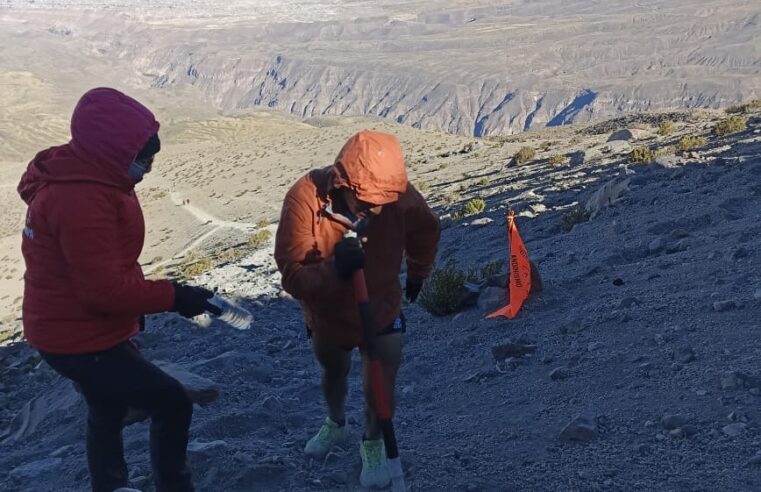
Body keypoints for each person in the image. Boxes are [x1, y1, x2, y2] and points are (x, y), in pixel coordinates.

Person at [18, 87, 220, 492]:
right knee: (171, 402)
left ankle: (109, 486)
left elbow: (102, 274)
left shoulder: (90, 175)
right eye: (141, 158)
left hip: (68, 327)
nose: (147, 167)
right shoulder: (80, 199)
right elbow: (103, 291)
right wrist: (175, 297)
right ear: (112, 152)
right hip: (76, 337)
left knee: (106, 408)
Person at [274, 130, 440, 488]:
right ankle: (336, 423)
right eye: (368, 201)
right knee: (334, 372)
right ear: (340, 182)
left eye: (385, 200)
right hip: (328, 314)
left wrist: (417, 273)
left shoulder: (400, 196)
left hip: (381, 304)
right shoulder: (305, 198)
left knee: (380, 380)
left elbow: (426, 230)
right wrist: (333, 271)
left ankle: (373, 442)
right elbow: (292, 273)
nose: (378, 209)